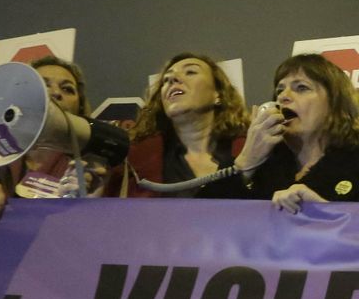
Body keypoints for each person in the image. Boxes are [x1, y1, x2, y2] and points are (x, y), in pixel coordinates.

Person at [0, 55, 130, 222]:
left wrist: (87, 206)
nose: (55, 93)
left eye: (67, 89)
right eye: (43, 85)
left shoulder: (88, 168)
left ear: (80, 109)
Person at [237, 54, 359, 213]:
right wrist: (246, 162)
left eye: (301, 88)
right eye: (279, 90)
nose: (283, 97)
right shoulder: (261, 171)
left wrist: (323, 211)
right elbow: (215, 226)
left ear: (336, 106)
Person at [107, 53, 252, 198]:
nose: (172, 79)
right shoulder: (131, 162)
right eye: (166, 79)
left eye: (190, 72)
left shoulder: (252, 150)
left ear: (218, 94)